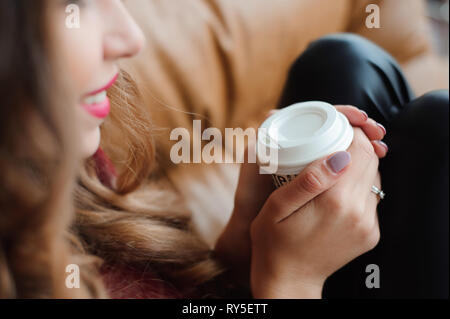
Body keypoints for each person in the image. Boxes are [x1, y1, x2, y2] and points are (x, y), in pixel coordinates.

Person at [0, 0, 447, 299]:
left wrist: (244, 233)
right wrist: (291, 281)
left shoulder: (61, 155)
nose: (130, 37)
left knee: (339, 61)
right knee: (436, 127)